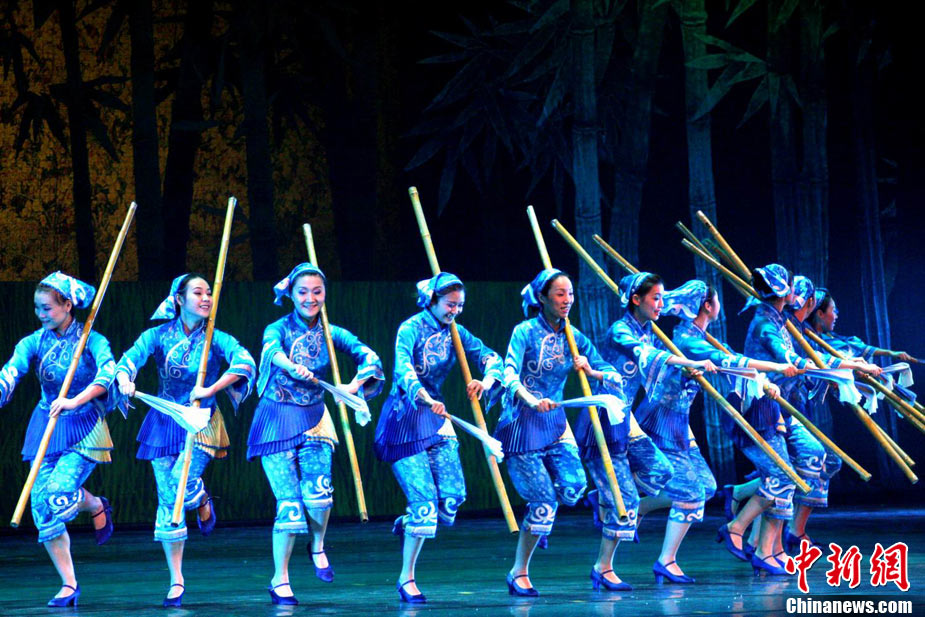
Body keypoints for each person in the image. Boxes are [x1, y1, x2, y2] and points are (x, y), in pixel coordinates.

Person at [115, 273, 256, 607]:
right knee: (168, 499)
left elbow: (245, 361)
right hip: (165, 420)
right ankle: (176, 579)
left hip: (201, 420)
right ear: (179, 299)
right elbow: (129, 359)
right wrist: (124, 379)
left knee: (180, 481)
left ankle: (199, 496)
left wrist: (211, 389)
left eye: (208, 293)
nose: (205, 298)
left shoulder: (217, 338)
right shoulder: (157, 335)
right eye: (197, 292)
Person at [248, 263, 383, 604]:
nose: (310, 298)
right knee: (290, 506)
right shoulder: (278, 328)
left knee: (320, 495)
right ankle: (280, 578)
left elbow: (369, 356)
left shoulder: (332, 333)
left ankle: (318, 544)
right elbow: (271, 351)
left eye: (317, 291)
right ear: (291, 295)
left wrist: (353, 384)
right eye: (303, 292)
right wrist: (291, 366)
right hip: (276, 419)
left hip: (315, 418)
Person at [374, 273, 502, 603]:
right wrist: (426, 398)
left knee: (451, 502)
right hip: (405, 417)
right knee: (425, 506)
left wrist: (485, 382)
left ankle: (408, 522)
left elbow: (491, 358)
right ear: (432, 300)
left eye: (460, 306)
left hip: (437, 417)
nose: (455, 311)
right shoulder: (410, 328)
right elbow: (403, 370)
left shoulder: (457, 332)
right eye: (450, 305)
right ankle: (407, 578)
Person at [497, 269, 623, 595]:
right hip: (522, 423)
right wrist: (530, 399)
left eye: (570, 294)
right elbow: (508, 373)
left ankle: (540, 521)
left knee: (573, 488)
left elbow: (610, 372)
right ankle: (519, 571)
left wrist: (591, 370)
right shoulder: (524, 331)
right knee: (543, 502)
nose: (567, 300)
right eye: (560, 294)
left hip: (555, 422)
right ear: (542, 298)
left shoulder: (574, 336)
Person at [0, 272, 117, 607]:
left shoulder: (92, 340)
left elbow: (108, 372)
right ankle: (69, 584)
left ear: (67, 305)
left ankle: (94, 504)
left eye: (48, 308)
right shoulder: (33, 342)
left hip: (83, 424)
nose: (41, 314)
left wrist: (75, 400)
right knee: (41, 506)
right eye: (38, 308)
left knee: (58, 493)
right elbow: (12, 369)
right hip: (47, 424)